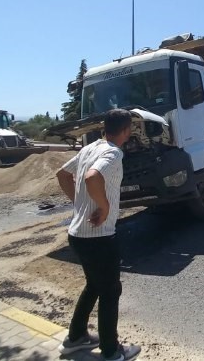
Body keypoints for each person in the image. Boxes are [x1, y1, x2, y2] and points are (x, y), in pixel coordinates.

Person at [55, 109, 141, 361]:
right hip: (99, 236)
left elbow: (62, 175)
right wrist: (103, 207)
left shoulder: (90, 147)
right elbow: (93, 177)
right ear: (126, 130)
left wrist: (79, 204)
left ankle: (76, 338)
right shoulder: (113, 153)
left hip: (77, 233)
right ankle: (111, 350)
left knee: (94, 285)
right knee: (110, 291)